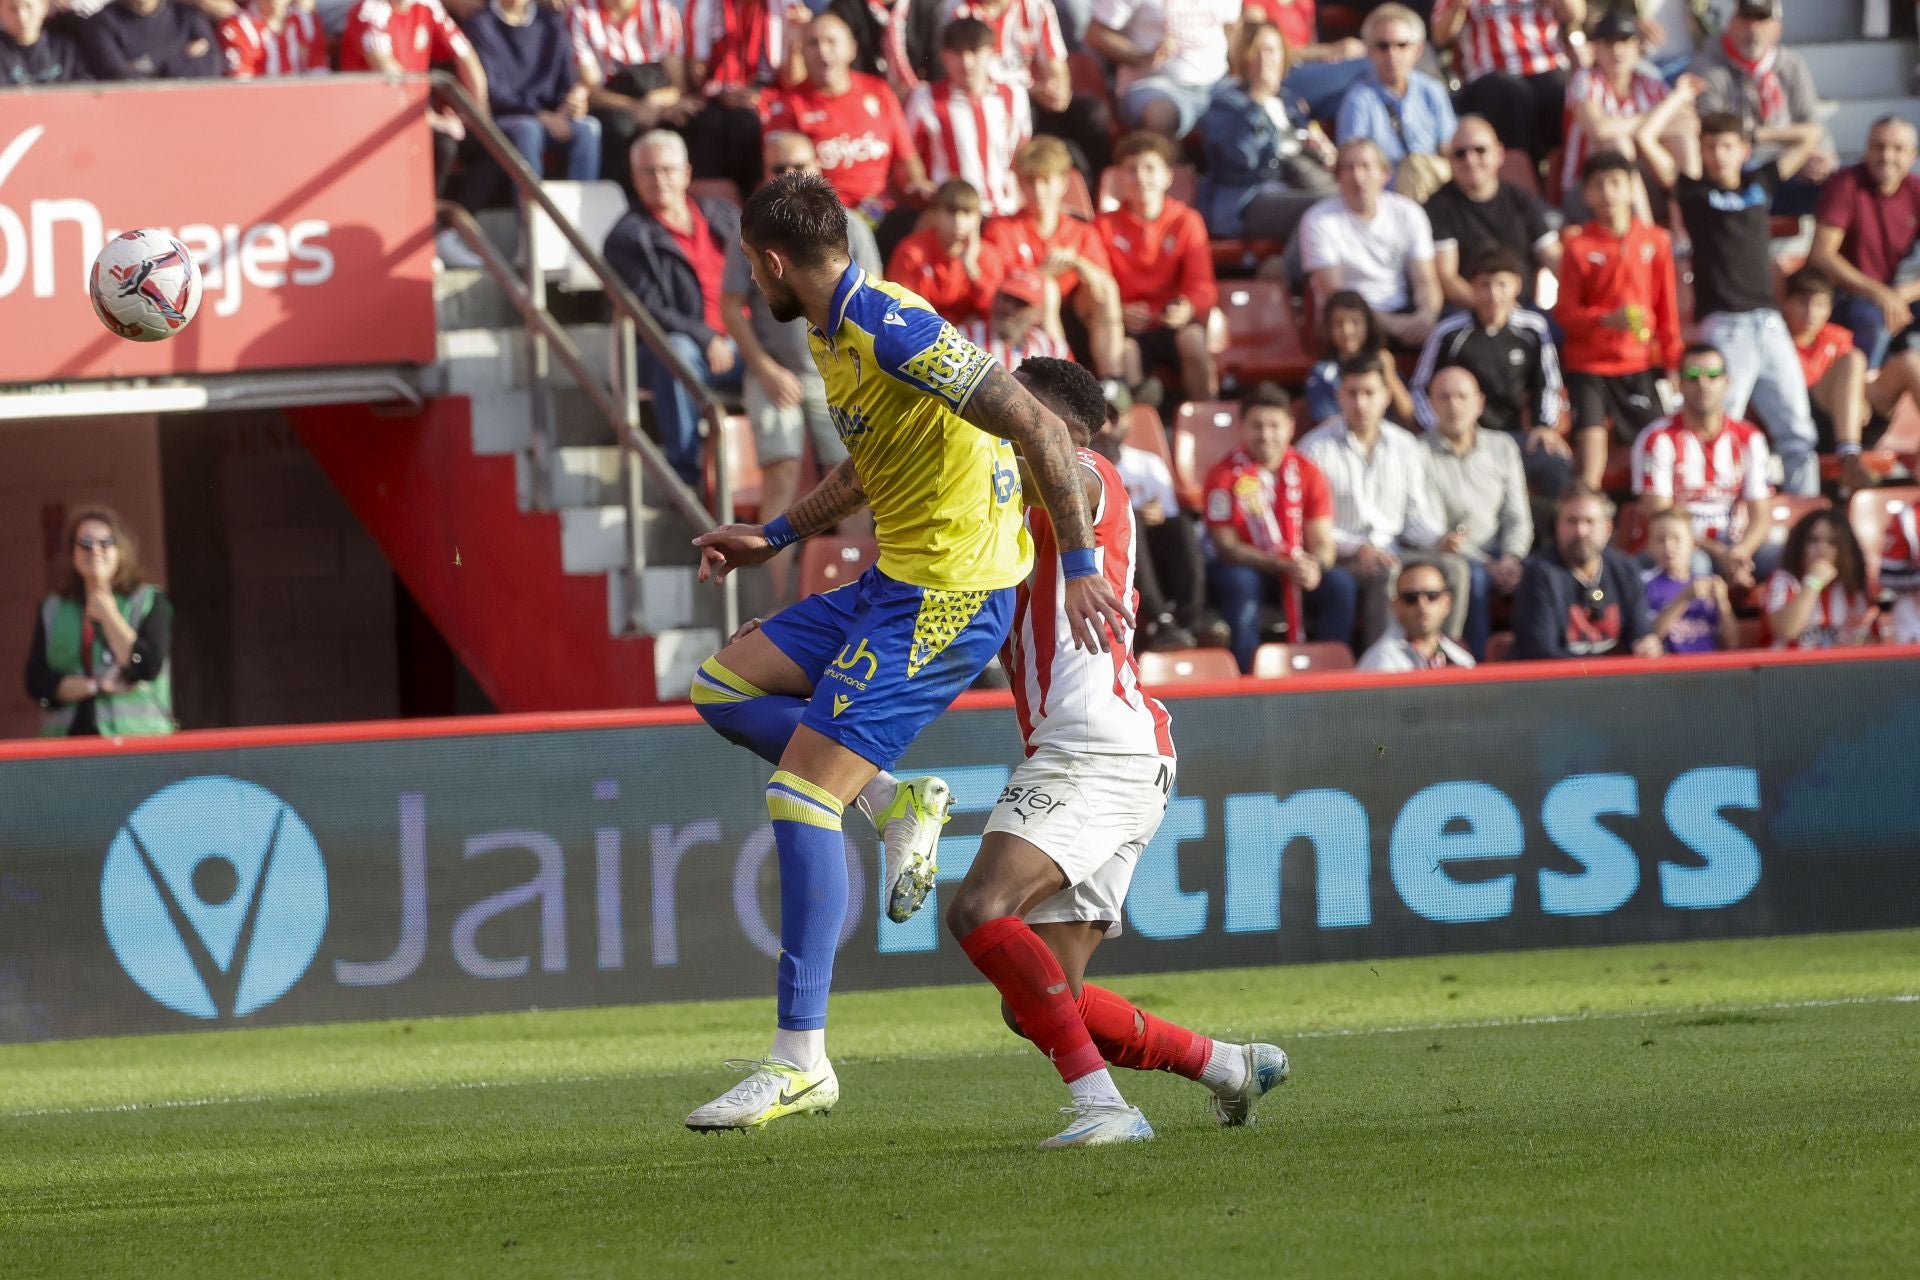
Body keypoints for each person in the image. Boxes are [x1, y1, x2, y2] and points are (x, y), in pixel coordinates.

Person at [681, 171, 1127, 1131]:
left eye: (744, 263)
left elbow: (1041, 425)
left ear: (768, 261)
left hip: (949, 596)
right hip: (895, 582)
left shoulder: (896, 326)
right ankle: (896, 801)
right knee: (720, 686)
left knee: (801, 794)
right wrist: (779, 533)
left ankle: (800, 1059)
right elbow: (871, 463)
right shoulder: (829, 332)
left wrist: (1082, 562)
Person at [944, 356, 1287, 1148]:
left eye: (1015, 414)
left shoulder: (1089, 475)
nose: (999, 426)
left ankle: (1106, 1111)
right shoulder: (1020, 513)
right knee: (1038, 1001)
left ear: (1054, 428)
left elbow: (1041, 465)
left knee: (979, 909)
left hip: (1095, 746)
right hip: (1110, 750)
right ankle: (1227, 1067)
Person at [723, 131, 883, 609]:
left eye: (797, 165)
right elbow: (732, 306)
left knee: (854, 481)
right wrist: (765, 367)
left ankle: (860, 600)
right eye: (777, 168)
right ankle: (775, 606)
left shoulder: (851, 226)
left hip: (839, 375)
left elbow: (870, 300)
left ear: (817, 166)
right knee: (781, 471)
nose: (789, 175)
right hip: (775, 373)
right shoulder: (752, 230)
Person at [1639, 104, 1822, 495]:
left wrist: (1759, 134)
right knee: (1720, 425)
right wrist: (1679, 98)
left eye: (1727, 145)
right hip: (1725, 325)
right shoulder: (1693, 191)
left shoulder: (1760, 182)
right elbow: (1645, 138)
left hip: (1769, 322)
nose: (1718, 154)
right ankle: (1721, 508)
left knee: (1798, 431)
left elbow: (1810, 136)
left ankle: (1804, 516)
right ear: (1701, 151)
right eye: (1710, 146)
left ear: (1742, 149)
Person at [1297, 353, 1465, 651]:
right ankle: (1382, 672)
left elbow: (1413, 516)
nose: (1360, 403)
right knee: (1385, 573)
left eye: (1369, 393)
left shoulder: (1405, 445)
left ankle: (1444, 655)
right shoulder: (1315, 449)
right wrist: (1357, 547)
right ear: (1339, 396)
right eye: (1352, 393)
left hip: (1394, 550)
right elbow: (1306, 525)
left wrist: (1439, 540)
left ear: (1386, 397)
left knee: (1455, 569)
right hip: (1341, 557)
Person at [604, 131, 743, 485]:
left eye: (667, 170)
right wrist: (705, 337)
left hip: (744, 341)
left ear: (686, 173)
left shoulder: (725, 216)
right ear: (634, 178)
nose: (659, 180)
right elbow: (649, 310)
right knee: (676, 352)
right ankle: (686, 474)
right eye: (648, 172)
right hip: (675, 349)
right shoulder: (627, 238)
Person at [1203, 382, 1355, 669]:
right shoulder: (1222, 475)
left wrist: (1315, 566)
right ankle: (1246, 675)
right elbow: (1226, 546)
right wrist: (1280, 563)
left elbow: (1323, 543)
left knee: (1340, 585)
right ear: (1242, 428)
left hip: (1296, 565)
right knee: (1240, 582)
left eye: (1274, 425)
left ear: (1290, 427)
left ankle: (1333, 674)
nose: (1266, 435)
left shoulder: (1310, 472)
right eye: (1257, 426)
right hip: (1246, 567)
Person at [1556, 149, 1683, 491]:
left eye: (1616, 182)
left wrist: (1672, 363)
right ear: (1586, 194)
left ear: (1632, 187)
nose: (1608, 192)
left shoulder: (1656, 241)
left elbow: (1666, 307)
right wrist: (1603, 320)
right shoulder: (1577, 245)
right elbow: (1565, 313)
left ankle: (1658, 527)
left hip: (1638, 363)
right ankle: (1586, 523)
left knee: (1659, 450)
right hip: (1590, 366)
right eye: (1599, 185)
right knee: (1592, 455)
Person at [340, 0, 488, 268]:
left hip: (414, 118)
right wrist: (431, 119)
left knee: (488, 148)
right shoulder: (370, 12)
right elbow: (387, 73)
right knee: (442, 144)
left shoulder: (428, 6)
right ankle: (419, 241)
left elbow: (465, 56)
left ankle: (444, 232)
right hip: (371, 124)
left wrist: (480, 115)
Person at [1629, 341, 1773, 592]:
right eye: (1693, 376)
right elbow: (1660, 517)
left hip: (1733, 542)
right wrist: (1719, 552)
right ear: (1680, 384)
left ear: (1727, 382)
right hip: (1677, 545)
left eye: (1713, 375)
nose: (1703, 384)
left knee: (1784, 555)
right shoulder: (1657, 439)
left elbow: (1761, 516)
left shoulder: (1750, 438)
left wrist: (1739, 553)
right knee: (1694, 564)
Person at [985, 135, 1127, 384]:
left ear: (1063, 183)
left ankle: (1113, 380)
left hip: (1079, 321)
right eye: (1030, 182)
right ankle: (1064, 381)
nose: (1038, 191)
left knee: (1105, 287)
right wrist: (1042, 275)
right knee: (1048, 289)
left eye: (1047, 181)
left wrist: (1077, 263)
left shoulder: (1082, 231)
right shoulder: (1002, 229)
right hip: (1028, 324)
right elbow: (1003, 290)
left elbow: (1104, 285)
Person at [24, 507, 174, 738]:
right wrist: (96, 686)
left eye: (106, 542)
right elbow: (36, 682)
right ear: (73, 553)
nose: (95, 549)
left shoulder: (148, 600)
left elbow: (147, 666)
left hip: (139, 744)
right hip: (67, 748)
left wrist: (108, 614)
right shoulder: (53, 608)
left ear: (121, 551)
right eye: (85, 543)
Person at [763, 12, 926, 218]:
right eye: (813, 43)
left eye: (831, 41)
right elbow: (778, 176)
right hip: (824, 217)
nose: (823, 51)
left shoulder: (878, 92)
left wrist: (918, 187)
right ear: (802, 52)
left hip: (882, 212)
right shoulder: (788, 106)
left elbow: (907, 159)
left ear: (851, 49)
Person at [1420, 366, 1533, 661]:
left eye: (1461, 396)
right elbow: (1437, 529)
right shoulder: (1418, 453)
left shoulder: (1503, 447)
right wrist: (1487, 565)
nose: (1454, 405)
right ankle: (1480, 671)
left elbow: (1517, 516)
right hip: (1454, 557)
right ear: (1431, 404)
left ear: (1479, 403)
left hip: (1500, 551)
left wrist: (1512, 557)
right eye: (1444, 397)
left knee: (1541, 575)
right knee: (1475, 580)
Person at [1095, 131, 1218, 400]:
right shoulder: (1103, 226)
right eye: (1131, 169)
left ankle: (1207, 414)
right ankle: (1138, 422)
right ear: (1119, 177)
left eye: (1150, 168)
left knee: (1194, 340)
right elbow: (1100, 283)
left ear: (1168, 176)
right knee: (1124, 351)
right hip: (1128, 324)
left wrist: (1187, 307)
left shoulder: (1186, 221)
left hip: (1172, 321)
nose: (1140, 177)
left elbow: (1203, 284)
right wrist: (1120, 310)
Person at [1411, 244, 1566, 449]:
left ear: (1517, 285)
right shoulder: (1448, 332)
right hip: (1460, 438)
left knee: (1554, 464)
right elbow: (1419, 387)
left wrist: (1544, 426)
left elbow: (1549, 385)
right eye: (1485, 285)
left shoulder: (1534, 328)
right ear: (1472, 287)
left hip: (1516, 436)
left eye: (1502, 284)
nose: (1493, 294)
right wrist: (1440, 427)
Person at [1196, 20, 1338, 243]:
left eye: (1271, 50)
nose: (1265, 59)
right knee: (1326, 210)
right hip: (1249, 196)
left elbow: (1305, 149)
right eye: (1256, 51)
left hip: (1296, 187)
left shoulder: (1290, 101)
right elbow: (1239, 161)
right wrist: (1256, 102)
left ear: (1284, 56)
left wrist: (1319, 152)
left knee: (1342, 203)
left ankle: (1284, 267)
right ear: (1244, 57)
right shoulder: (1225, 103)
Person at [1686, 0, 1833, 214]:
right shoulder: (1708, 67)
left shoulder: (1792, 65)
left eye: (1762, 20)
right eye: (1746, 20)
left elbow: (1813, 124)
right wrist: (1765, 138)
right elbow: (1715, 129)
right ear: (1732, 23)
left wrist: (1822, 158)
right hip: (1736, 174)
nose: (1753, 29)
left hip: (1785, 166)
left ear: (1777, 28)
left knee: (1839, 187)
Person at [1783, 266, 1920, 493]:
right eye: (1802, 303)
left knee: (1910, 361)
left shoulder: (1837, 336)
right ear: (1786, 303)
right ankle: (1850, 459)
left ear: (1829, 308)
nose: (1811, 313)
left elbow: (1856, 380)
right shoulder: (1779, 344)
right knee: (1854, 360)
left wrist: (1858, 395)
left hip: (1861, 419)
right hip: (1815, 422)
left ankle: (1852, 451)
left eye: (1819, 305)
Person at [1092, 392, 1210, 651]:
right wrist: (1133, 516)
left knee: (1180, 524)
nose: (1105, 427)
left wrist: (1153, 516)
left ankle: (1191, 618)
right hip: (1099, 554)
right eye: (1099, 418)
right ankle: (1160, 620)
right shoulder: (1081, 462)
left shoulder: (1148, 464)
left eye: (1113, 417)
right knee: (1133, 523)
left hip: (1148, 556)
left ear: (1127, 421)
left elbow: (1166, 518)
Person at [1299, 138, 1443, 349]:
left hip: (1403, 310)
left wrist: (1426, 316)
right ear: (1337, 176)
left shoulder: (1409, 213)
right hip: (1348, 320)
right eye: (1349, 168)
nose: (1358, 177)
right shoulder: (1318, 220)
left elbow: (1426, 281)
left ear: (1385, 174)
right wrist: (1392, 325)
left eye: (1366, 167)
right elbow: (1335, 293)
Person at [459, 0, 602, 210]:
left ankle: (582, 216)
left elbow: (567, 78)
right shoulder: (481, 23)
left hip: (552, 117)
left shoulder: (551, 23)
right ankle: (532, 218)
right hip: (506, 117)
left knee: (588, 129)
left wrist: (570, 105)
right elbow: (493, 91)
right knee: (527, 129)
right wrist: (538, 114)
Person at [1807, 116, 1920, 372]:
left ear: (1912, 156)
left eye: (1898, 149)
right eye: (1879, 147)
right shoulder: (1846, 185)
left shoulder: (1915, 190)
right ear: (1867, 149)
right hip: (1844, 293)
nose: (1887, 156)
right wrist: (1881, 294)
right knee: (1875, 321)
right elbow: (1822, 255)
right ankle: (1864, 399)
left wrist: (1905, 293)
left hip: (1891, 292)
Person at [1424, 115, 1562, 311]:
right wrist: (1495, 309)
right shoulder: (1437, 207)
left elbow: (1552, 256)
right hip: (1468, 313)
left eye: (1480, 150)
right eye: (1460, 153)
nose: (1470, 160)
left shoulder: (1521, 199)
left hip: (1525, 308)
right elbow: (1447, 278)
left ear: (1499, 154)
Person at [903, 17, 1032, 218]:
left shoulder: (1015, 95)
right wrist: (922, 185)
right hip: (952, 217)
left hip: (1006, 213)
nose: (967, 62)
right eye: (957, 53)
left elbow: (1023, 152)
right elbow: (908, 155)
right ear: (944, 56)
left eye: (974, 51)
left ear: (991, 52)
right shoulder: (925, 98)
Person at [1512, 487, 1663, 660]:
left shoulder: (1625, 569)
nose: (1581, 531)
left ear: (1607, 528)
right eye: (1572, 521)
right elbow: (1541, 653)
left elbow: (1640, 632)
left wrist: (1647, 645)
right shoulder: (1538, 574)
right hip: (1562, 684)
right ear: (1557, 527)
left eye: (1589, 521)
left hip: (1616, 683)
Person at [1557, 11, 1681, 220]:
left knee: (1682, 138)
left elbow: (1683, 122)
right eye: (1608, 43)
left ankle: (1686, 223)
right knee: (1617, 143)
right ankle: (1645, 233)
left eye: (1625, 42)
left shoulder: (1650, 83)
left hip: (1643, 181)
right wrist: (1649, 124)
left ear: (1638, 47)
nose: (1617, 51)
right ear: (1596, 48)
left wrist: (1647, 131)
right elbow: (1599, 129)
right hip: (1587, 186)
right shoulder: (1585, 81)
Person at [569, 0, 695, 197]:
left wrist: (656, 104)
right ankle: (620, 203)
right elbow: (590, 91)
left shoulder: (661, 11)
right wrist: (637, 108)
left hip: (657, 97)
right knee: (619, 127)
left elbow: (678, 86)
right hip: (612, 102)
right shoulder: (581, 14)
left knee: (695, 122)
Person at [1334, 3, 1456, 199]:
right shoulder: (1358, 99)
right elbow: (1353, 161)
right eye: (1383, 46)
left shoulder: (1432, 90)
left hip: (1438, 192)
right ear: (1369, 51)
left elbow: (1450, 151)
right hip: (1386, 197)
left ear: (1417, 51)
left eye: (1401, 45)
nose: (1392, 54)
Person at [1431, 0, 1575, 164]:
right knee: (1512, 94)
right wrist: (1458, 6)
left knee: (1562, 90)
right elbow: (1440, 36)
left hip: (1545, 63)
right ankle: (1520, 171)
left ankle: (1561, 172)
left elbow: (1574, 15)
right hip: (1489, 72)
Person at [682, 0, 797, 200]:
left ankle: (752, 202)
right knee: (706, 121)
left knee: (745, 123)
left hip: (770, 91)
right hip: (716, 91)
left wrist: (761, 96)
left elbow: (793, 78)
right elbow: (696, 74)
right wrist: (723, 92)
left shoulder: (785, 5)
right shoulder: (702, 5)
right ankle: (714, 206)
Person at [1085, 0, 1240, 141]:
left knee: (1249, 109)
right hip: (1152, 86)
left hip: (1217, 84)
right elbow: (1096, 33)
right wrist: (1142, 58)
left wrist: (1238, 71)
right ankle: (1169, 168)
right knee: (1160, 115)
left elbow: (1232, 24)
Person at [887, 179, 1008, 327]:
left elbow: (997, 312)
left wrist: (971, 268)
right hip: (922, 335)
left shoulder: (988, 255)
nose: (958, 221)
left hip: (974, 340)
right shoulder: (911, 251)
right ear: (935, 214)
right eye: (951, 213)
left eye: (967, 213)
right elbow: (900, 307)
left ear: (978, 218)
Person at [1763, 509, 1875, 649]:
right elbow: (1786, 631)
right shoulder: (1782, 581)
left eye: (1832, 542)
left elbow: (1871, 642)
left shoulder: (1854, 587)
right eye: (1813, 540)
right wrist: (1812, 582)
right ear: (1800, 545)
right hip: (1789, 669)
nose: (1821, 549)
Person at [1305, 290, 1412, 425]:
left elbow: (1409, 417)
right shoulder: (1322, 372)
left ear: (1368, 325)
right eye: (1338, 323)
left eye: (1355, 322)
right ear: (1328, 328)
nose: (1347, 330)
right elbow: (1327, 424)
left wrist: (1389, 374)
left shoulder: (1383, 363)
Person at [1641, 507, 1738, 653]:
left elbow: (1732, 643)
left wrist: (1722, 602)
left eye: (1676, 539)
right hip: (1671, 670)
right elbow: (1649, 636)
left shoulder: (1707, 584)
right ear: (1649, 546)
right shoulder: (1645, 584)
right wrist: (1683, 599)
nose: (1669, 546)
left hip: (1710, 668)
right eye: (1661, 540)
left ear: (1692, 544)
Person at [1356, 560, 1476, 670]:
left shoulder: (1463, 661)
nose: (1422, 605)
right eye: (1411, 598)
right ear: (1396, 606)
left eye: (1432, 596)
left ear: (1446, 603)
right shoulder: (1380, 663)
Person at [959, 270, 1074, 371]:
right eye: (1006, 297)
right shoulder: (964, 339)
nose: (1009, 307)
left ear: (1037, 314)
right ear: (995, 297)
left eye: (1021, 303)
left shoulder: (1053, 350)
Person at [82, 0, 220, 80]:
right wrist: (182, 59)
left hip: (189, 106)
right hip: (130, 111)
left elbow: (213, 65)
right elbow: (116, 74)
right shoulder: (101, 22)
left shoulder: (188, 16)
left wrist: (150, 65)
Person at [1, 0, 88, 84]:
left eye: (28, 6)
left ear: (43, 6)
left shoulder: (67, 51)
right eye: (13, 8)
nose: (22, 16)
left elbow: (85, 89)